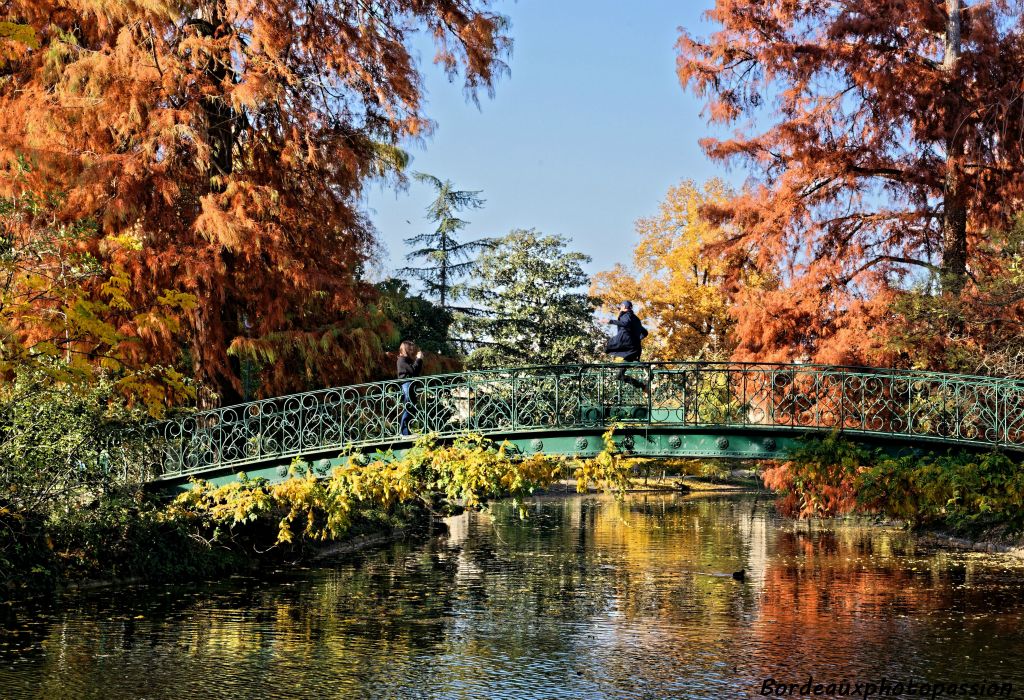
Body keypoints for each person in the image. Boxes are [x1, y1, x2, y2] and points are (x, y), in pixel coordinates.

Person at [605, 301, 649, 393]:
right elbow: (645, 332)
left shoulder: (626, 316)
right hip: (633, 350)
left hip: (629, 348)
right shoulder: (636, 319)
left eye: (620, 307)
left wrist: (610, 321)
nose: (620, 308)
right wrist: (637, 339)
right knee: (619, 376)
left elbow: (625, 323)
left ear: (624, 307)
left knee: (608, 346)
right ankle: (643, 386)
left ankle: (645, 366)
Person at [397, 340, 423, 436]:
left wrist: (419, 360)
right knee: (408, 407)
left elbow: (416, 372)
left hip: (410, 385)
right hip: (406, 385)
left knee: (412, 409)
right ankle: (403, 433)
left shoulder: (407, 360)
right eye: (410, 348)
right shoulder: (401, 359)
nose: (412, 350)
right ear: (406, 349)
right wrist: (418, 359)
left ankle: (406, 432)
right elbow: (412, 371)